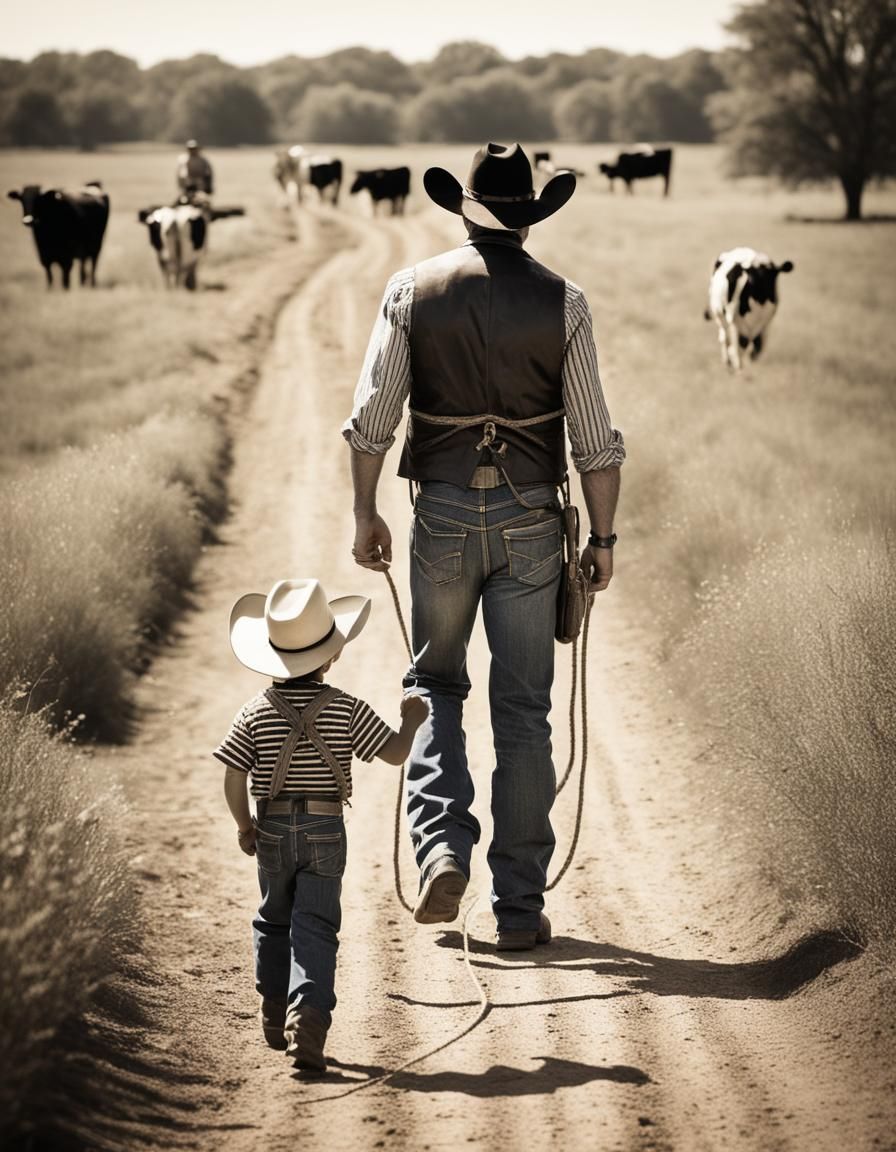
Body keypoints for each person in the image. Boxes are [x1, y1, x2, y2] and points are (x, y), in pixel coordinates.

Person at [343, 142, 625, 951]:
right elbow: (595, 442)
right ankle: (520, 908)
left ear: (465, 211)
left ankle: (441, 850)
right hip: (533, 519)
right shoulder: (566, 302)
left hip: (440, 514)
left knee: (434, 684)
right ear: (529, 218)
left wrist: (365, 513)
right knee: (525, 710)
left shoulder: (410, 289)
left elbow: (372, 421)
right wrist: (602, 538)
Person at [214, 577, 428, 1073]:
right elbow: (396, 753)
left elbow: (233, 775)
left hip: (271, 827)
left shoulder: (254, 712)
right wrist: (412, 721)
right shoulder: (346, 708)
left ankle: (273, 1011)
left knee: (273, 917)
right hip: (326, 828)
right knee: (316, 923)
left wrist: (245, 826)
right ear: (331, 656)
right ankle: (307, 1018)